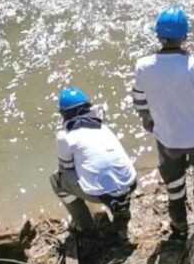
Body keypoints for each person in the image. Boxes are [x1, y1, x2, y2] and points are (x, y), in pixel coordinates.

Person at [133, 6, 194, 239]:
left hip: (167, 140)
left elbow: (140, 102)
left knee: (174, 186)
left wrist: (148, 120)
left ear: (158, 35)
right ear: (184, 36)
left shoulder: (143, 66)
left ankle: (179, 226)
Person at [50, 86, 137, 236]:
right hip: (131, 183)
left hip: (102, 194)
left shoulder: (65, 137)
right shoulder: (102, 127)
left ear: (63, 114)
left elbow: (66, 169)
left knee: (57, 181)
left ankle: (84, 225)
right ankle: (121, 211)